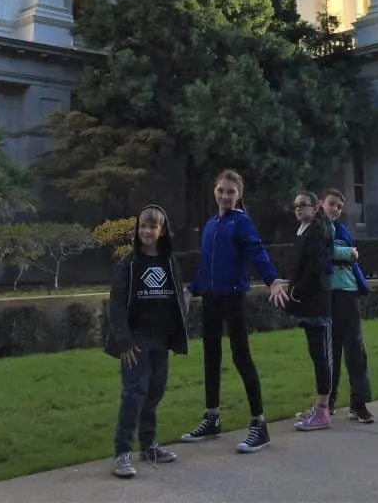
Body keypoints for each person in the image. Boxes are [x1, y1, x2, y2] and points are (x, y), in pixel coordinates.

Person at [181, 169, 288, 453]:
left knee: (242, 358)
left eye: (231, 191)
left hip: (234, 299)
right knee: (211, 359)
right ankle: (212, 418)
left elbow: (257, 252)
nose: (225, 196)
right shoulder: (210, 225)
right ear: (214, 191)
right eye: (221, 191)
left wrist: (272, 279)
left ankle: (259, 425)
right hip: (211, 301)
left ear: (239, 194)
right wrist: (191, 289)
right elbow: (207, 269)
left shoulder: (242, 223)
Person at [105, 204, 189, 479]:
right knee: (133, 395)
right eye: (143, 226)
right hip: (136, 341)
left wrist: (177, 333)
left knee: (155, 391)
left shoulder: (169, 261)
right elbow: (116, 306)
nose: (147, 231)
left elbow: (177, 297)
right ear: (137, 229)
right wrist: (125, 341)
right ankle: (122, 452)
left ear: (162, 230)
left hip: (161, 340)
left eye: (153, 227)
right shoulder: (127, 264)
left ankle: (149, 445)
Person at [321, 188, 374, 424]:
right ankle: (327, 403)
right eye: (332, 204)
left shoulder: (341, 230)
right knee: (329, 352)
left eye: (339, 207)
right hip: (329, 295)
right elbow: (322, 251)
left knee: (355, 350)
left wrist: (347, 254)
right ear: (322, 204)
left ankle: (358, 403)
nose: (335, 209)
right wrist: (349, 253)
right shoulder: (317, 227)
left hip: (349, 293)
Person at [287, 190, 334, 432]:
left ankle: (324, 410)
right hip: (309, 301)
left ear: (315, 208)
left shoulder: (317, 232)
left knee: (320, 356)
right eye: (296, 206)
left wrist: (295, 291)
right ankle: (320, 405)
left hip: (316, 301)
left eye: (303, 205)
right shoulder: (305, 231)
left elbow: (314, 269)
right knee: (316, 354)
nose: (298, 209)